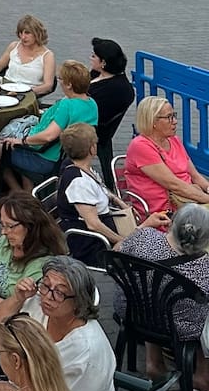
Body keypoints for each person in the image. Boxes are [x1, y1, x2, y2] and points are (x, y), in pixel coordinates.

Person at [0, 257, 117, 391]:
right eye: (45, 286)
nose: (48, 297)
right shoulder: (39, 306)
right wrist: (18, 297)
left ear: (78, 301)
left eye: (60, 293)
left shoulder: (87, 353)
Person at [114, 204, 209, 391]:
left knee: (153, 296)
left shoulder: (144, 237)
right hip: (177, 327)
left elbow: (115, 251)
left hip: (132, 311)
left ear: (171, 224)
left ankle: (154, 363)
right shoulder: (204, 266)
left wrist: (143, 225)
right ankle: (202, 376)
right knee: (201, 314)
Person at [55, 124, 169, 264]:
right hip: (95, 244)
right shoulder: (79, 183)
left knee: (155, 238)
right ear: (92, 149)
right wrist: (123, 241)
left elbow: (103, 191)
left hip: (107, 233)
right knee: (157, 247)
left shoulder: (82, 169)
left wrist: (121, 203)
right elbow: (93, 224)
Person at [0, 60, 98, 193]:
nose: (59, 82)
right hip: (57, 154)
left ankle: (16, 189)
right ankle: (27, 188)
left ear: (69, 85)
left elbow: (49, 136)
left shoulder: (67, 106)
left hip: (42, 157)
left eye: (60, 78)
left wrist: (22, 141)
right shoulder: (91, 103)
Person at [0, 191, 67, 321]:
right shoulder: (6, 241)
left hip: (4, 326)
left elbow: (20, 312)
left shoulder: (41, 264)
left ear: (31, 226)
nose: (4, 232)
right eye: (2, 224)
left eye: (10, 226)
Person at [125, 95, 209, 214]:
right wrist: (206, 199)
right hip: (163, 211)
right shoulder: (140, 146)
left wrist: (207, 188)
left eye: (174, 115)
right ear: (153, 121)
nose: (175, 121)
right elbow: (173, 184)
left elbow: (195, 175)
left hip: (188, 202)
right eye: (169, 117)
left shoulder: (174, 140)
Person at [87, 37, 133, 186]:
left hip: (91, 128)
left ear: (104, 62)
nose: (90, 58)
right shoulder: (97, 73)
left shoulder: (116, 89)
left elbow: (92, 114)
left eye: (94, 56)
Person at [0, 14, 55, 97]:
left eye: (27, 33)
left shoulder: (47, 56)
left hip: (29, 94)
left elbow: (48, 86)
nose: (23, 37)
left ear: (37, 33)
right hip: (5, 90)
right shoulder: (13, 46)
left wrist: (25, 93)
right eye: (20, 33)